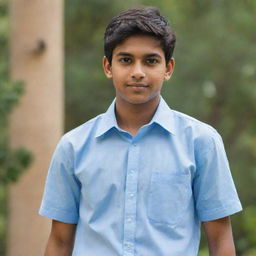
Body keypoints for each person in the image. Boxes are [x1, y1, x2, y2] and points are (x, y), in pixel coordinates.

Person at [39, 6, 242, 256]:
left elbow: (221, 240)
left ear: (168, 68)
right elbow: (59, 242)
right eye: (126, 60)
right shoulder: (73, 146)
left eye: (150, 61)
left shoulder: (201, 142)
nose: (137, 72)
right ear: (107, 66)